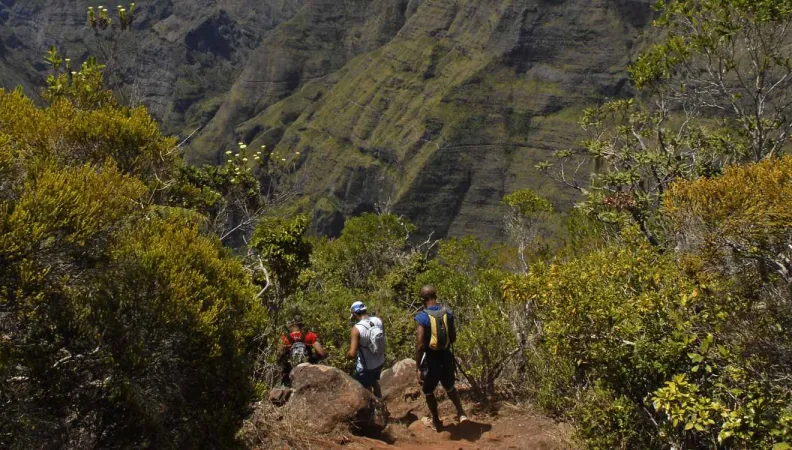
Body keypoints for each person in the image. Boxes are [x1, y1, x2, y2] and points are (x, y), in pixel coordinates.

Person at [414, 285, 468, 431]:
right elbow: (454, 337)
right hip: (446, 356)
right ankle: (461, 413)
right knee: (449, 385)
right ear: (435, 296)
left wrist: (418, 366)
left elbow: (419, 344)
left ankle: (436, 421)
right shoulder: (447, 313)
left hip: (431, 359)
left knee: (428, 390)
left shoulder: (422, 317)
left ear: (422, 300)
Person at [347, 301, 385, 398]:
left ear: (354, 314)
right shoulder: (378, 320)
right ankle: (381, 400)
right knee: (374, 381)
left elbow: (352, 354)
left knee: (366, 389)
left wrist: (347, 356)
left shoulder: (357, 329)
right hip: (380, 361)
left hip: (367, 366)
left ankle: (375, 408)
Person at [278, 315, 327, 386]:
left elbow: (278, 355)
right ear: (301, 325)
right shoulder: (309, 335)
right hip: (307, 369)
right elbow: (322, 353)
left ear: (291, 325)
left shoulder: (284, 338)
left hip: (290, 371)